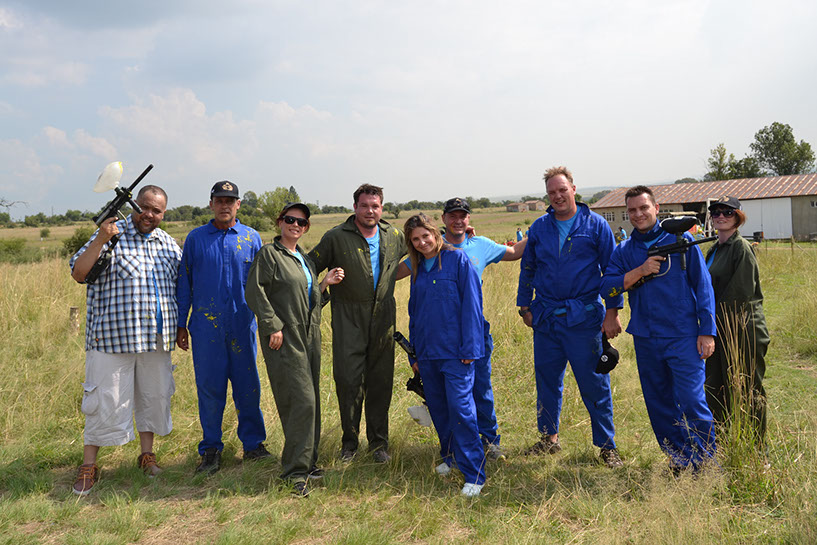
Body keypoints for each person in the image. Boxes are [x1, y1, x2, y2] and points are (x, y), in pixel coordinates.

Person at [69, 185, 181, 495]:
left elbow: (180, 286)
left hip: (155, 339)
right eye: (144, 207)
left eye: (156, 210)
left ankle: (147, 456)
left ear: (163, 213)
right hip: (112, 338)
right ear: (134, 205)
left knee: (154, 398)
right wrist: (101, 239)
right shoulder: (111, 234)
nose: (149, 214)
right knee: (103, 401)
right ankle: (89, 465)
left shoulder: (168, 244)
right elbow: (79, 273)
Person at [397, 197, 528, 461]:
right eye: (453, 216)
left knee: (480, 388)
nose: (458, 220)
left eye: (463, 216)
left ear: (469, 219)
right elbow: (393, 275)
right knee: (449, 396)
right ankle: (455, 448)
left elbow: (514, 253)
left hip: (473, 328)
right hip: (441, 335)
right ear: (443, 220)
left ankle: (489, 441)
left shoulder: (480, 245)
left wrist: (539, 230)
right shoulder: (425, 251)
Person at [601, 185, 717, 473]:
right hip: (646, 337)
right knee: (659, 403)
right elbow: (607, 287)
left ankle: (706, 461)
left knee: (691, 399)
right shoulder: (624, 250)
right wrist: (640, 271)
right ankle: (680, 459)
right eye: (632, 210)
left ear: (656, 208)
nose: (638, 214)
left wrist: (707, 331)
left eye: (644, 208)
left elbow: (703, 286)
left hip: (683, 334)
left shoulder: (681, 240)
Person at [517, 166, 624, 468]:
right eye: (552, 192)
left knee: (594, 383)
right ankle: (549, 438)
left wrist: (612, 312)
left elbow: (612, 271)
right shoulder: (540, 227)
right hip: (546, 318)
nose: (558, 196)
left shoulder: (596, 225)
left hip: (584, 319)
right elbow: (528, 268)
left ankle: (607, 446)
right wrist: (524, 306)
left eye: (562, 190)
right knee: (547, 381)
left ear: (573, 189)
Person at [245, 203, 344, 496]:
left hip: (309, 335)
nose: (295, 225)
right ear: (280, 222)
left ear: (307, 227)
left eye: (301, 222)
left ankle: (308, 462)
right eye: (290, 219)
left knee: (311, 400)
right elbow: (254, 291)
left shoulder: (304, 258)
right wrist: (272, 325)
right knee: (301, 402)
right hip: (285, 336)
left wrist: (324, 283)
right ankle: (294, 473)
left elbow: (310, 301)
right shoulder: (269, 254)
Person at [309, 184, 407, 463]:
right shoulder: (336, 237)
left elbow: (424, 248)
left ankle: (379, 444)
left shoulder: (394, 235)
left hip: (383, 318)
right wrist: (324, 285)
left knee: (381, 382)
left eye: (375, 206)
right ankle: (349, 444)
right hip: (348, 318)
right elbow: (305, 268)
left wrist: (460, 240)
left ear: (382, 208)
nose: (369, 211)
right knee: (348, 382)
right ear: (355, 207)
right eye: (364, 205)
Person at [176, 181, 269, 475]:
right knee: (210, 389)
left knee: (248, 386)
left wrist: (269, 322)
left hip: (242, 324)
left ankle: (253, 445)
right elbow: (184, 283)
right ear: (211, 204)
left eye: (230, 201)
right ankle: (211, 449)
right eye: (219, 200)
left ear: (238, 204)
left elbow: (263, 284)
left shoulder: (251, 238)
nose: (225, 205)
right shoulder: (196, 239)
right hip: (206, 329)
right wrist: (181, 324)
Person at [404, 213, 486, 497]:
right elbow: (414, 313)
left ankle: (474, 473)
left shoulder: (457, 260)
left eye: (425, 236)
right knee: (439, 408)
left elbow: (473, 305)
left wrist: (471, 348)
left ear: (435, 233)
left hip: (456, 353)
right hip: (427, 353)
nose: (422, 242)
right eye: (415, 239)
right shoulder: (418, 268)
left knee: (461, 410)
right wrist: (414, 354)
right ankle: (450, 457)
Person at [704, 196, 769, 444]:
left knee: (747, 390)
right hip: (717, 328)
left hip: (741, 329)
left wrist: (708, 323)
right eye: (716, 212)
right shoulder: (715, 249)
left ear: (738, 216)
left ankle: (755, 450)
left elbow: (739, 295)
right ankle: (721, 447)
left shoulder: (741, 247)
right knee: (716, 388)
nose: (721, 216)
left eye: (728, 212)